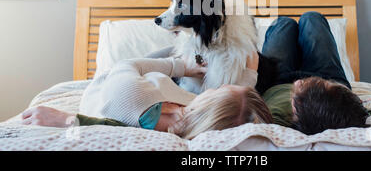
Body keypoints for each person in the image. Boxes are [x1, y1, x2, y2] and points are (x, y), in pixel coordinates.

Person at [21, 50, 272, 140]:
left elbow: (127, 66)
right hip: (158, 89)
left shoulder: (132, 99)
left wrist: (180, 66)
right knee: (252, 59)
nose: (215, 87)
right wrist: (249, 77)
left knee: (192, 52)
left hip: (118, 79)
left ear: (211, 104)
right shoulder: (195, 122)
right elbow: (238, 110)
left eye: (218, 89)